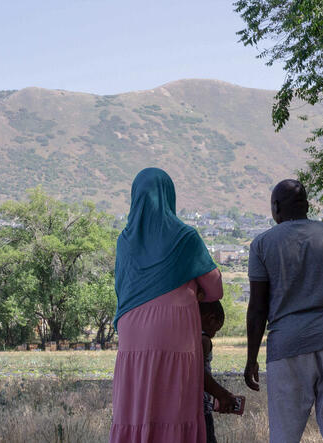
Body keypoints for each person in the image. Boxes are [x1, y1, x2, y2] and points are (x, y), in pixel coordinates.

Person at [110, 167, 224, 443]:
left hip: (132, 332)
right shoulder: (185, 238)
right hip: (175, 331)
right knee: (175, 401)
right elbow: (215, 288)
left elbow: (121, 288)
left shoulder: (124, 242)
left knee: (138, 402)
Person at [244, 179, 323, 443]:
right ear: (307, 206)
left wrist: (251, 359)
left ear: (276, 207)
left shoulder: (262, 244)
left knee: (284, 436)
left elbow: (258, 309)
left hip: (286, 349)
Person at [199, 300, 237, 443]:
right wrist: (222, 395)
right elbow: (198, 373)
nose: (214, 334)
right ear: (211, 319)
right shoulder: (204, 340)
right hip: (201, 408)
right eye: (216, 329)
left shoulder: (185, 336)